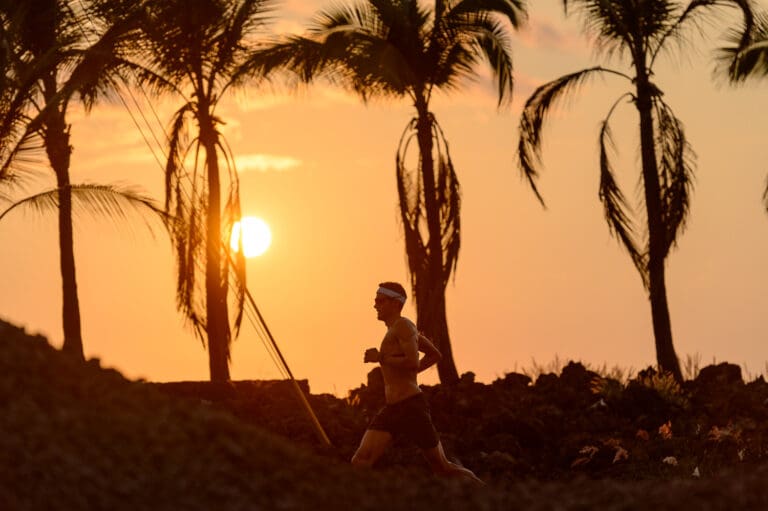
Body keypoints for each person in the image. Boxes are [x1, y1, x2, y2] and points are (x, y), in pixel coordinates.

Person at [351, 281, 484, 484]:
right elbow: (434, 354)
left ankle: (485, 491)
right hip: (392, 409)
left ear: (395, 303)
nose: (375, 305)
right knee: (360, 461)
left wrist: (381, 358)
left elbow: (412, 361)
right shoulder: (399, 329)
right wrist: (409, 376)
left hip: (411, 407)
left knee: (443, 468)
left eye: (380, 301)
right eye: (375, 301)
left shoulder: (403, 326)